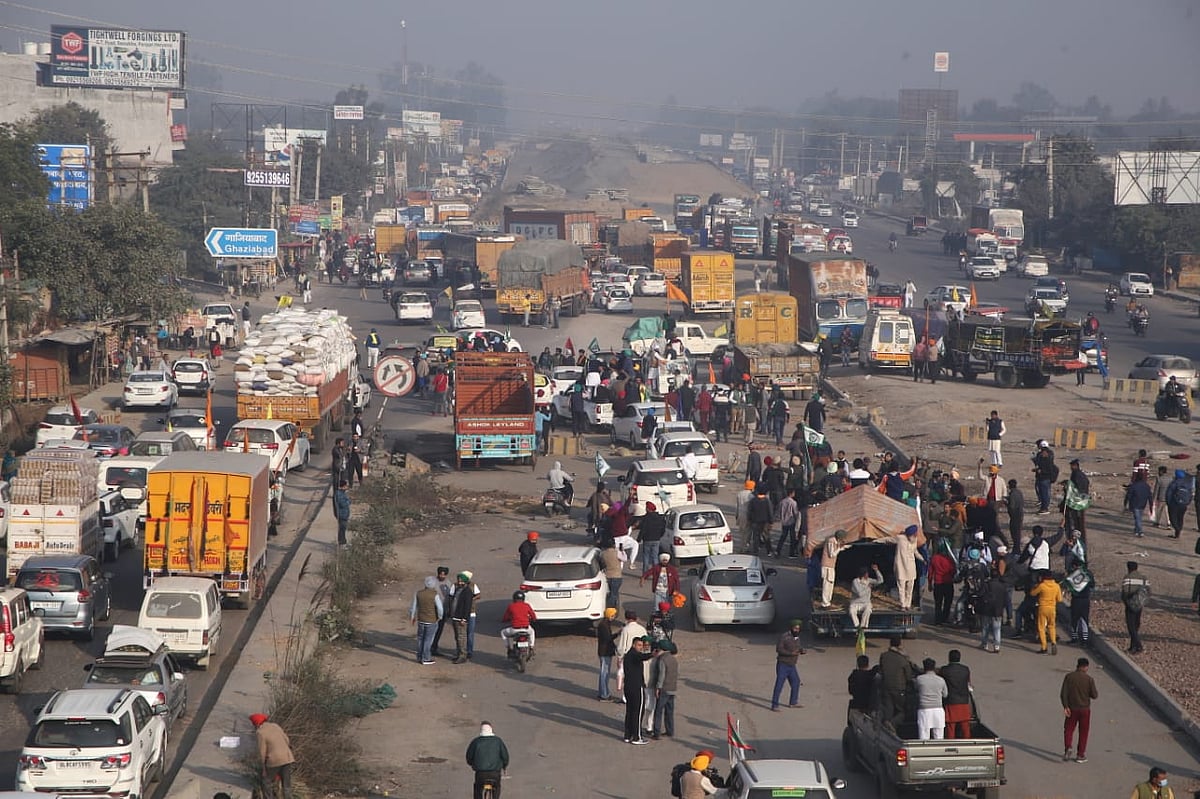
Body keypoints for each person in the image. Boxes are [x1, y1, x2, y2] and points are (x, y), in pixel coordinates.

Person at [250, 713, 295, 799]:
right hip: (287, 758)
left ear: (257, 724)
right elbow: (287, 740)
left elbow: (262, 752)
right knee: (286, 785)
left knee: (266, 781)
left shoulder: (260, 732)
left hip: (274, 760)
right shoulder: (275, 726)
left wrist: (263, 768)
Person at [1061, 657, 1098, 763]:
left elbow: (1063, 694)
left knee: (1068, 729)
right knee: (1083, 732)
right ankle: (1080, 755)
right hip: (1085, 710)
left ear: (1077, 665)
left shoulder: (1069, 677)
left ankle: (1068, 747)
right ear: (1086, 667)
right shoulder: (1089, 679)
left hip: (1072, 708)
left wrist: (1066, 706)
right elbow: (1094, 695)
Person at [879, 636, 917, 729]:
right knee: (903, 711)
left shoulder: (883, 656)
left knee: (888, 710)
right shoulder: (903, 658)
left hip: (886, 687)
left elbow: (881, 671)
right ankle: (892, 724)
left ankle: (887, 723)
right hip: (899, 689)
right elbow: (909, 676)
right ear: (900, 645)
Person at [465, 722, 510, 799]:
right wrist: (504, 766)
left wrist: (472, 764)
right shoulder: (498, 741)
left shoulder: (476, 742)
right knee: (497, 787)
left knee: (477, 788)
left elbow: (469, 757)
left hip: (480, 774)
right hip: (495, 773)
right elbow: (505, 756)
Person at [622, 637, 653, 744]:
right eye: (639, 645)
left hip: (628, 686)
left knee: (630, 711)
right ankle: (637, 737)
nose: (641, 647)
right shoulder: (634, 654)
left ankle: (627, 735)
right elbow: (642, 657)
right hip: (636, 687)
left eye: (641, 645)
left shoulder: (628, 655)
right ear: (633, 645)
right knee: (638, 712)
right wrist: (652, 654)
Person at [771, 619, 805, 711]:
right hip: (783, 664)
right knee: (779, 685)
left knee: (796, 682)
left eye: (798, 629)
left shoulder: (797, 638)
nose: (797, 630)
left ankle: (793, 702)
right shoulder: (784, 637)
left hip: (792, 665)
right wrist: (791, 653)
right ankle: (774, 705)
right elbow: (779, 649)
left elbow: (798, 647)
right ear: (791, 628)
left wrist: (801, 650)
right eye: (795, 628)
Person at [410, 575, 444, 665]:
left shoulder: (418, 593)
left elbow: (413, 606)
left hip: (421, 620)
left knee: (420, 639)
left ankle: (419, 656)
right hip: (431, 621)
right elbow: (440, 608)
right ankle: (426, 658)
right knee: (428, 640)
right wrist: (440, 617)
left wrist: (412, 617)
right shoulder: (435, 595)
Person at [939, 650, 972, 739]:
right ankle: (968, 743)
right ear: (959, 658)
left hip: (951, 702)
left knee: (950, 727)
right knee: (965, 727)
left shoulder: (944, 670)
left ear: (949, 658)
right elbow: (968, 683)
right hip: (964, 702)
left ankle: (950, 743)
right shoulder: (965, 669)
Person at [1030, 570, 1063, 654]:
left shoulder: (1042, 586)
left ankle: (1044, 647)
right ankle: (1053, 642)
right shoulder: (1056, 586)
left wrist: (1034, 587)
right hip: (1052, 608)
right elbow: (1059, 599)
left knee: (1041, 628)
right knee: (1051, 626)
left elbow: (1033, 593)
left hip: (1043, 607)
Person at [449, 571, 480, 664]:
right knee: (457, 637)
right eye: (459, 580)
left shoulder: (467, 591)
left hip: (461, 618)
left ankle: (463, 655)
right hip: (455, 616)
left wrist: (464, 619)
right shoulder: (458, 589)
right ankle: (459, 653)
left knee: (461, 637)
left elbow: (467, 606)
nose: (459, 582)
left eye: (461, 581)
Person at [914, 658, 948, 741]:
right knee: (939, 737)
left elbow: (915, 690)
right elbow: (945, 694)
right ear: (934, 667)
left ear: (924, 667)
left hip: (924, 710)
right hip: (938, 710)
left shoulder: (919, 679)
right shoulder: (941, 680)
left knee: (924, 737)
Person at [650, 639, 678, 739]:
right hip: (672, 688)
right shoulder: (673, 659)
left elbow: (661, 675)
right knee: (669, 711)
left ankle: (656, 732)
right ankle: (670, 730)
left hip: (664, 689)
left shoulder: (662, 659)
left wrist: (658, 687)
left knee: (658, 711)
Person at [1121, 561, 1150, 654]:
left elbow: (1125, 592)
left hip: (1130, 605)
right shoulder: (1143, 578)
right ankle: (1132, 647)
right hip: (1139, 605)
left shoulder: (1127, 578)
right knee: (1136, 625)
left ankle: (1138, 645)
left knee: (1131, 627)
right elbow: (1148, 591)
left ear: (1128, 568)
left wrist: (1126, 602)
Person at [500, 590, 537, 655]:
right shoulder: (527, 605)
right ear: (523, 598)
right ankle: (531, 647)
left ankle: (508, 648)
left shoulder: (511, 606)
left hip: (514, 629)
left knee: (503, 632)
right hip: (526, 628)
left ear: (514, 599)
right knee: (532, 632)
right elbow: (533, 616)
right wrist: (533, 619)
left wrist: (505, 620)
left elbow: (505, 617)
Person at [848, 565, 884, 631]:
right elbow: (860, 594)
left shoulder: (869, 580)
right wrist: (868, 588)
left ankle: (863, 627)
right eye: (866, 574)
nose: (867, 575)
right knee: (852, 611)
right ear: (863, 574)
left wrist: (876, 570)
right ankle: (857, 626)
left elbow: (880, 581)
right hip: (855, 603)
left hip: (866, 603)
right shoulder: (855, 581)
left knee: (868, 610)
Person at [818, 529, 848, 607]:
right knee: (826, 584)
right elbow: (832, 554)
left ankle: (828, 601)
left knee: (831, 583)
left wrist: (843, 547)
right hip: (827, 566)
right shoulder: (831, 541)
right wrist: (839, 548)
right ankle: (825, 602)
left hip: (831, 566)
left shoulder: (835, 541)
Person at [634, 503, 667, 572]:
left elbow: (643, 530)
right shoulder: (659, 518)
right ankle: (656, 573)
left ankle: (645, 573)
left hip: (647, 539)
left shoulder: (646, 518)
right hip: (656, 539)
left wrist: (638, 539)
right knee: (655, 557)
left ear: (648, 509)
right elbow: (663, 528)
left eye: (646, 508)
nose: (645, 509)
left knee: (646, 557)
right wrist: (659, 535)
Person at [596, 607, 619, 701]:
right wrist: (617, 634)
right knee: (605, 673)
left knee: (604, 672)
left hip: (604, 651)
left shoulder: (604, 624)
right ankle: (604, 694)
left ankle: (602, 692)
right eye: (613, 615)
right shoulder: (604, 625)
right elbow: (608, 638)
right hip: (605, 652)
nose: (614, 617)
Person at [847, 654, 879, 720]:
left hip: (855, 704)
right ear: (868, 665)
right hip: (868, 706)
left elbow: (850, 691)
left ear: (858, 664)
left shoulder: (853, 676)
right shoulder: (871, 676)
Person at [430, 566, 453, 658]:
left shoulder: (448, 583)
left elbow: (451, 598)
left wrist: (450, 610)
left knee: (439, 630)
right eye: (440, 574)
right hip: (434, 610)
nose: (442, 576)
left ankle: (434, 647)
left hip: (444, 611)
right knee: (432, 630)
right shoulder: (432, 583)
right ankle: (428, 647)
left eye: (444, 575)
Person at [1164, 468, 1194, 539]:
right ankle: (1178, 532)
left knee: (1173, 518)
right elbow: (1191, 494)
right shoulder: (1188, 483)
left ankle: (1177, 529)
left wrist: (1168, 503)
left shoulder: (1174, 483)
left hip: (1174, 503)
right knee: (1180, 518)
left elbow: (1169, 494)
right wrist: (1187, 502)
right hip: (1184, 504)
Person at [333, 480, 351, 546]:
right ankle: (342, 543)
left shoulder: (342, 493)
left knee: (343, 528)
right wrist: (348, 501)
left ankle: (343, 542)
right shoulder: (339, 494)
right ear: (342, 486)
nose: (347, 487)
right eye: (346, 486)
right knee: (342, 529)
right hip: (341, 514)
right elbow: (343, 504)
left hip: (344, 514)